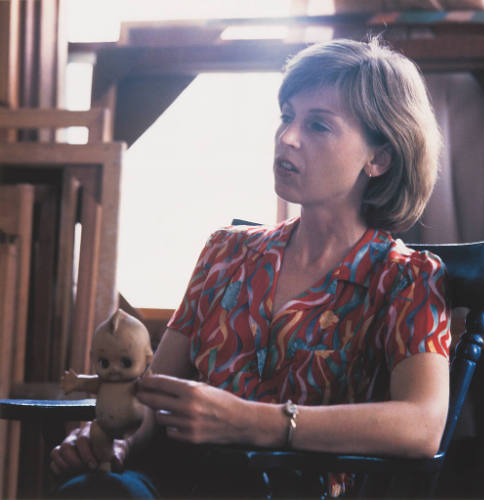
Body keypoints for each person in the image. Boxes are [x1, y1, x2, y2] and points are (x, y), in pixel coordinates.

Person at [50, 37, 451, 498]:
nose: (288, 137)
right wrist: (108, 438)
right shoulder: (225, 251)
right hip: (173, 480)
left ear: (378, 158)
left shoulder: (407, 277)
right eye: (287, 115)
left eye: (318, 125)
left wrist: (251, 421)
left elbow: (423, 426)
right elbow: (155, 398)